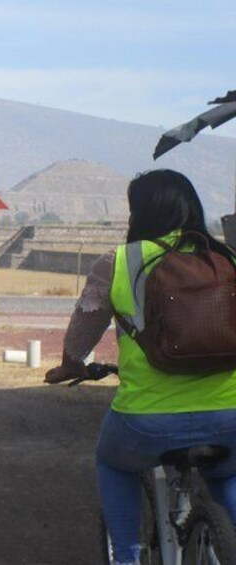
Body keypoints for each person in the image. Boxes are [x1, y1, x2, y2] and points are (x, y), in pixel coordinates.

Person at [45, 169, 236, 565]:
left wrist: (71, 367)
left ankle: (127, 557)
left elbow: (80, 337)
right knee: (227, 472)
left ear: (140, 213)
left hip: (145, 422)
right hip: (230, 416)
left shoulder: (118, 262)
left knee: (111, 462)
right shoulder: (228, 259)